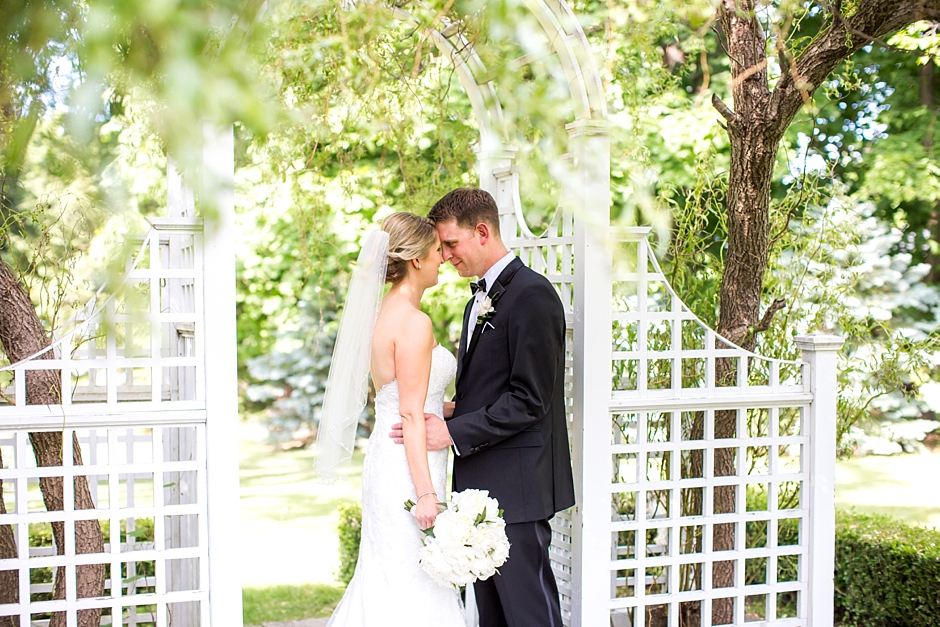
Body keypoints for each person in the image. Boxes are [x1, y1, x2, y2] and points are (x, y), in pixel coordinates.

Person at [391, 188, 575, 627]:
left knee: (529, 613)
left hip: (519, 488)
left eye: (450, 244)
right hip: (481, 487)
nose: (447, 255)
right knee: (492, 616)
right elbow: (491, 389)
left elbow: (531, 399)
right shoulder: (477, 301)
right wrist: (452, 410)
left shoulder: (533, 295)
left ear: (481, 231)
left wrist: (451, 434)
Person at [316, 212, 465, 627]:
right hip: (408, 464)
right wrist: (426, 495)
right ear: (416, 259)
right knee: (413, 583)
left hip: (390, 453)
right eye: (438, 251)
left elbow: (409, 401)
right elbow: (412, 414)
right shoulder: (414, 324)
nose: (443, 260)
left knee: (389, 577)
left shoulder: (381, 313)